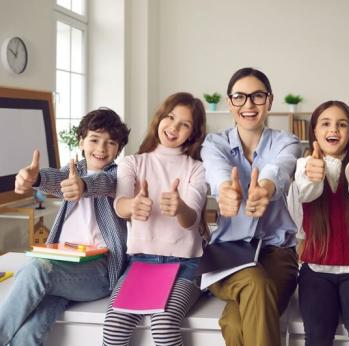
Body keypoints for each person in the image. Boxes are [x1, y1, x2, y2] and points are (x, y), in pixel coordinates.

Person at [0, 108, 130, 346]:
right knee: (30, 332)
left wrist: (82, 186)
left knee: (36, 270)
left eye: (111, 143)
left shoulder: (120, 175)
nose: (101, 149)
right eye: (94, 139)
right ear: (81, 140)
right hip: (63, 266)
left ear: (119, 149)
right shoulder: (73, 171)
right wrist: (36, 179)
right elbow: (57, 181)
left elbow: (102, 183)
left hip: (99, 271)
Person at [200, 67, 303, 346]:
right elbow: (216, 169)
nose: (248, 105)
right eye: (240, 97)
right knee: (255, 284)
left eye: (257, 96)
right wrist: (226, 190)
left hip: (277, 254)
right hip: (228, 255)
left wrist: (265, 188)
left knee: (234, 324)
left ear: (269, 101)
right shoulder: (214, 143)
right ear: (229, 101)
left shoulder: (288, 141)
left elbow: (280, 167)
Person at [102, 92, 208, 346]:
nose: (173, 128)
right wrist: (133, 205)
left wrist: (180, 207)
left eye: (185, 124)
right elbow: (120, 204)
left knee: (164, 326)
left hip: (187, 264)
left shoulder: (197, 168)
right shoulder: (132, 163)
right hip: (141, 261)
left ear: (192, 134)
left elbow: (190, 219)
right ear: (159, 118)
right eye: (170, 118)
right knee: (113, 328)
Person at [291, 100, 349, 346]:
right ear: (315, 132)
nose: (334, 130)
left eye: (342, 125)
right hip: (315, 271)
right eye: (326, 124)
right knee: (318, 336)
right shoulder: (303, 165)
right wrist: (313, 176)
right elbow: (305, 194)